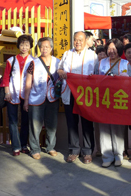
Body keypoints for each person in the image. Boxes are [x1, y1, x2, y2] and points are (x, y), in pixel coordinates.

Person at [57, 31, 98, 164]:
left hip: (86, 95)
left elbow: (97, 74)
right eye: (75, 40)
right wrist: (61, 72)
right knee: (72, 123)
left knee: (86, 123)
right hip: (70, 93)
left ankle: (87, 152)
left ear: (86, 40)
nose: (78, 42)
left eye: (80, 40)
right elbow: (59, 69)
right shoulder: (67, 54)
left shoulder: (92, 55)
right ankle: (74, 150)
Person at [24, 37, 60, 160]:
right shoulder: (33, 63)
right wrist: (26, 101)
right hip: (36, 98)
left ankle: (50, 147)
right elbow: (28, 83)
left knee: (52, 124)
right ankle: (34, 149)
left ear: (51, 47)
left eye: (46, 46)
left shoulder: (58, 62)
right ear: (39, 48)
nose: (44, 49)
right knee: (35, 126)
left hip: (52, 98)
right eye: (42, 47)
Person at [97, 39, 129, 167]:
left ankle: (118, 155)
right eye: (109, 49)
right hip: (104, 100)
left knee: (117, 129)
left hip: (118, 100)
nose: (111, 51)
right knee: (104, 128)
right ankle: (107, 157)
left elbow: (129, 82)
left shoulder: (125, 63)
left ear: (120, 50)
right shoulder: (100, 63)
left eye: (114, 49)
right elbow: (95, 78)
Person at [2, 34, 35, 156]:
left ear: (30, 46)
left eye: (27, 44)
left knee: (25, 120)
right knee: (13, 120)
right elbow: (5, 78)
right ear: (18, 46)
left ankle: (23, 144)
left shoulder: (34, 61)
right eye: (22, 44)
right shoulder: (11, 60)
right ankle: (15, 146)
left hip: (27, 94)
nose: (24, 47)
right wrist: (7, 92)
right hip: (12, 92)